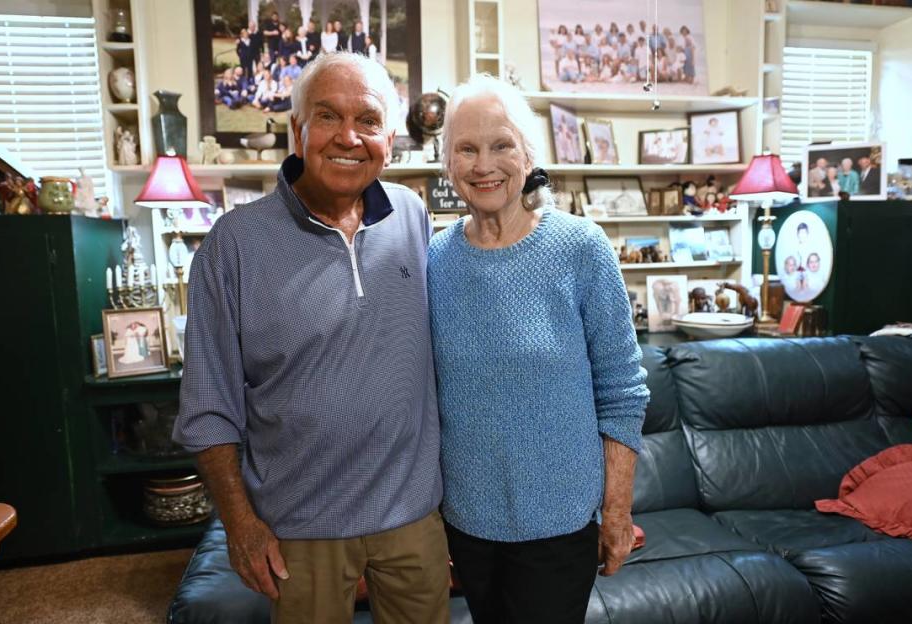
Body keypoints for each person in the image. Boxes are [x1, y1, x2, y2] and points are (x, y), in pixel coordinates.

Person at [174, 52, 450, 623]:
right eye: (327, 117)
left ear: (390, 139)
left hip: (413, 518)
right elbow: (207, 408)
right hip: (299, 531)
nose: (348, 137)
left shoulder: (412, 217)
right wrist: (241, 525)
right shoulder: (233, 244)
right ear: (297, 131)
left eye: (368, 121)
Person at [428, 74, 649, 623]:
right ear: (448, 163)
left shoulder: (581, 248)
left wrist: (616, 512)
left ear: (528, 153)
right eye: (467, 148)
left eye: (502, 145)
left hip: (561, 527)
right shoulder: (433, 260)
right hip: (467, 524)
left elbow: (622, 392)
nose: (484, 165)